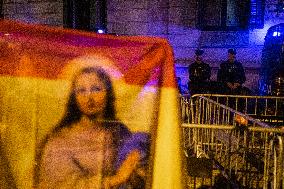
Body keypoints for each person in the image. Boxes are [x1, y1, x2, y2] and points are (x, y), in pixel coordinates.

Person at [35, 66, 149, 189]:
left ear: (108, 93)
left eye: (96, 89)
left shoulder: (118, 131)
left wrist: (134, 173)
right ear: (74, 97)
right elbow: (60, 186)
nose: (89, 98)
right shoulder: (59, 141)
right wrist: (113, 181)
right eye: (81, 90)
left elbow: (132, 175)